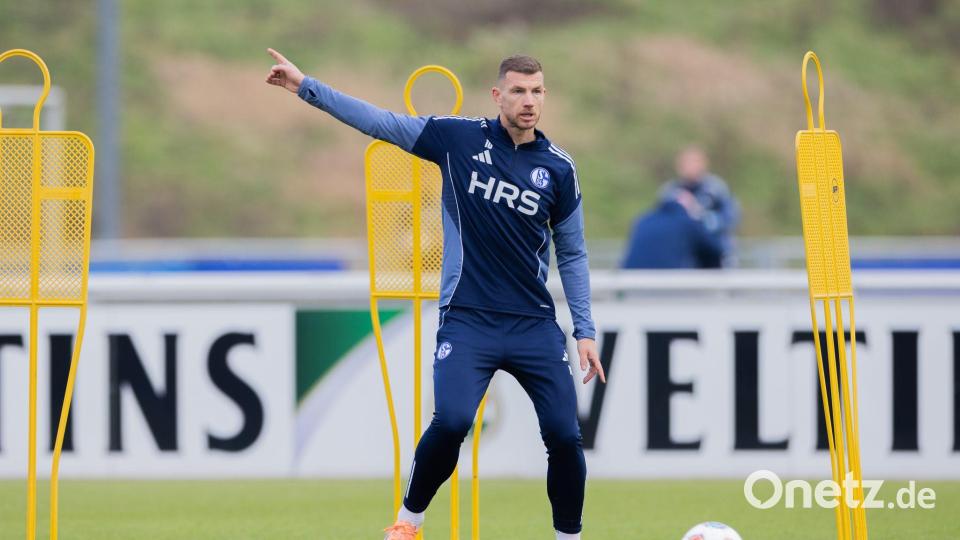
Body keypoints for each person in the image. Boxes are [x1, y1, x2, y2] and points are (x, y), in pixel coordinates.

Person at [265, 49, 605, 540]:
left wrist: (585, 331)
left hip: (533, 323)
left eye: (536, 92)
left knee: (565, 436)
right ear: (498, 95)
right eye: (517, 91)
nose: (528, 101)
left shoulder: (558, 169)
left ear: (544, 95)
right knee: (451, 422)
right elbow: (380, 122)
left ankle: (568, 537)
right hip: (468, 318)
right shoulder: (456, 139)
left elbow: (572, 254)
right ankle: (410, 521)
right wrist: (305, 86)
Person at [655, 146, 739, 265]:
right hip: (684, 257)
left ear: (704, 164)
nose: (691, 166)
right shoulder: (670, 192)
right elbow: (659, 223)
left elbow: (730, 218)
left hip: (715, 256)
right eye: (687, 162)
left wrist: (699, 215)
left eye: (695, 162)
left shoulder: (717, 189)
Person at [622, 190, 725, 268]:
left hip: (632, 286)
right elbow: (715, 251)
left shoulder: (643, 220)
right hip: (668, 288)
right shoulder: (687, 222)